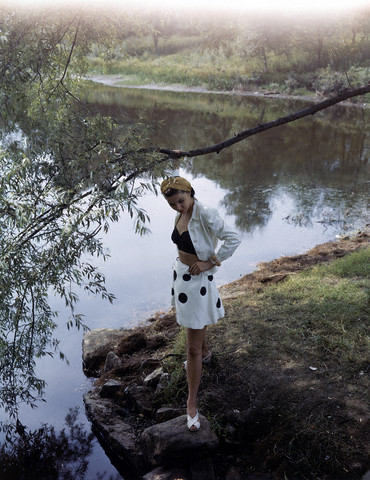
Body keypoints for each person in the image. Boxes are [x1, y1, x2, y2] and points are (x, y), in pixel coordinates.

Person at [161, 176, 241, 432]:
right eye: (173, 205)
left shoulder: (205, 213)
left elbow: (233, 238)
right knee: (194, 326)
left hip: (198, 281)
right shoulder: (181, 212)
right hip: (182, 278)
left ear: (190, 192)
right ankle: (205, 353)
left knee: (190, 349)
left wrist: (212, 262)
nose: (178, 208)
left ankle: (191, 403)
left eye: (181, 201)